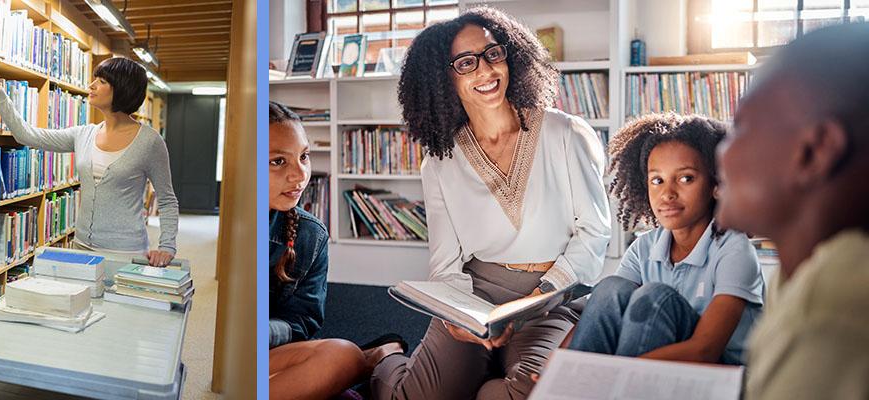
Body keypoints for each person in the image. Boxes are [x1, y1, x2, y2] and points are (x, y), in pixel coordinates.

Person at [370, 6, 611, 399]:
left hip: (551, 294)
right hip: (476, 292)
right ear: (443, 78)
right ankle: (386, 357)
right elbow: (446, 260)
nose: (485, 71)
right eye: (466, 63)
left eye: (493, 54)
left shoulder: (566, 134)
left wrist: (542, 295)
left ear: (510, 55)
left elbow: (595, 231)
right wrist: (459, 318)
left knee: (532, 393)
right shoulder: (439, 161)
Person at [714, 22, 869, 399]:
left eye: (740, 127)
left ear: (814, 152)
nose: (721, 152)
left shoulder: (831, 310)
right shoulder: (801, 275)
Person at [565, 114, 763, 364]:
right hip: (648, 371)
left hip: (721, 378)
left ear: (716, 185)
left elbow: (705, 350)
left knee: (656, 298)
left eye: (685, 179)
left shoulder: (734, 249)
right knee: (610, 288)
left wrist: (616, 373)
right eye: (657, 180)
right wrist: (554, 367)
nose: (667, 193)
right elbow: (603, 308)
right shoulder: (644, 248)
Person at [0, 57, 179, 266]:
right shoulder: (83, 134)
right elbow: (26, 135)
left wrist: (167, 247)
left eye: (102, 82)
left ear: (123, 89)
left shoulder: (150, 141)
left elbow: (168, 200)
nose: (91, 85)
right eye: (95, 79)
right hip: (81, 248)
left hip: (126, 252)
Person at [268, 102, 404, 400]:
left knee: (341, 357)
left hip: (272, 353)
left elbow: (304, 321)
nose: (299, 174)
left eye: (303, 157)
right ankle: (373, 361)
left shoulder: (309, 235)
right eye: (278, 161)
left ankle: (364, 363)